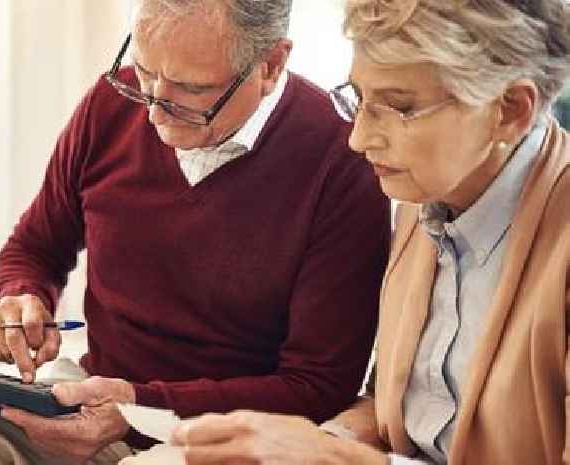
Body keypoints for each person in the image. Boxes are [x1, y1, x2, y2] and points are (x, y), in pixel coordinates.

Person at [0, 0, 390, 464]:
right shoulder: (113, 102)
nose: (152, 110)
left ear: (270, 65)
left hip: (226, 432)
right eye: (146, 73)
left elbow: (317, 385)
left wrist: (138, 403)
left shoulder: (344, 157)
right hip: (96, 393)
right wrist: (21, 298)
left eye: (190, 92)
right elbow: (35, 248)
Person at [160, 0, 570, 464]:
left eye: (398, 107)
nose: (359, 138)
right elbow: (398, 411)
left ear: (510, 110)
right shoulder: (428, 203)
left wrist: (336, 459)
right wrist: (320, 441)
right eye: (358, 98)